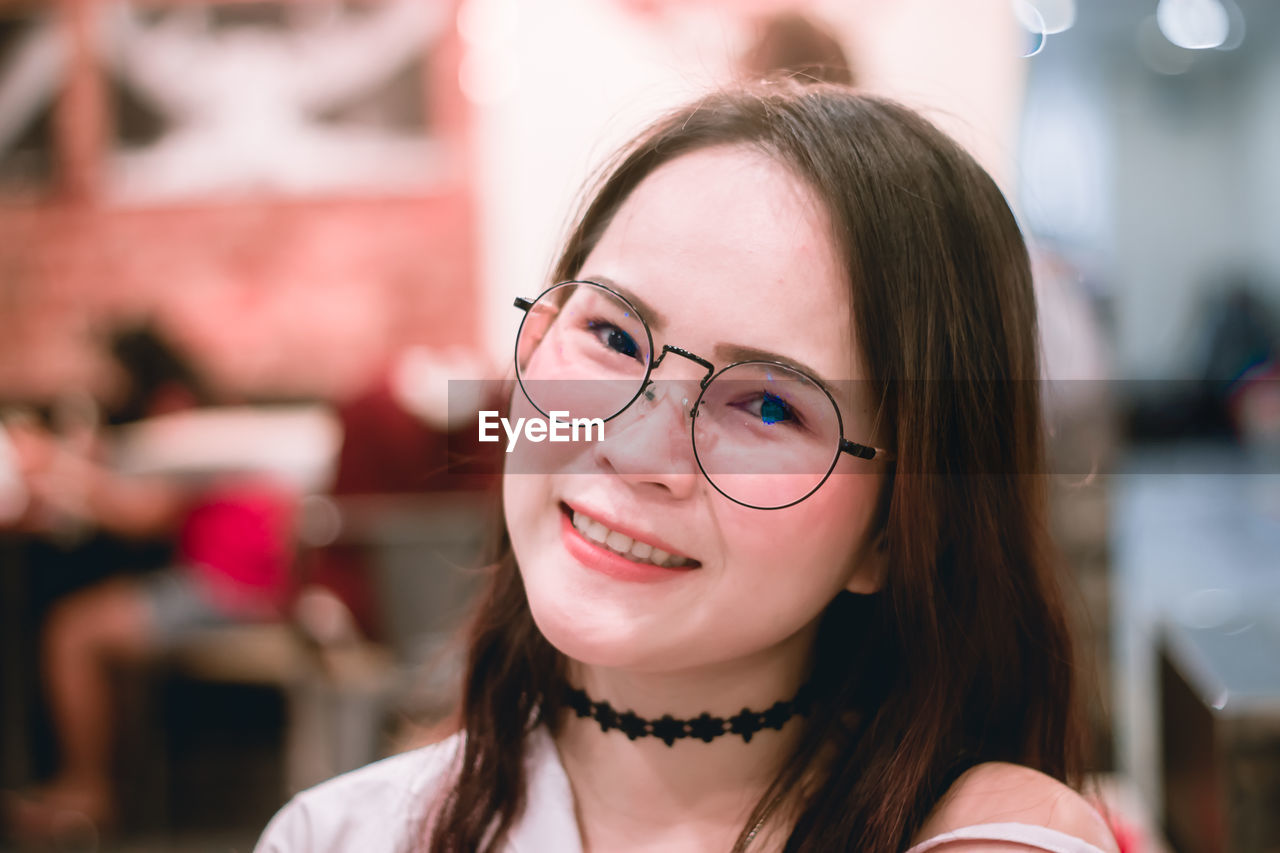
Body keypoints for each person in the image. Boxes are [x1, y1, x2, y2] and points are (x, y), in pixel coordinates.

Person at [255, 83, 1120, 853]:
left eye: (770, 406)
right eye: (613, 335)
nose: (634, 449)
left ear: (896, 530)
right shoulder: (337, 835)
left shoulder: (989, 838)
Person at [3, 324, 297, 842]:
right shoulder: (210, 412)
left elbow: (142, 514)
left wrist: (54, 463)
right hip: (243, 581)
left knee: (73, 632)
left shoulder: (180, 420)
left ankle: (87, 792)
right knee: (104, 636)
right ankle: (114, 790)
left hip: (229, 586)